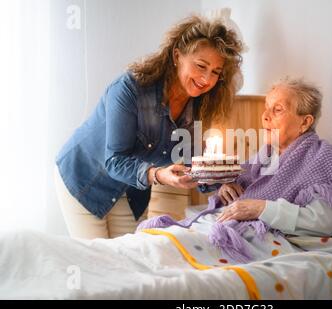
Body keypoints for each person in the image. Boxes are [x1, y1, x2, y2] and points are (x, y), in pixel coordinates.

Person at [55, 15, 244, 239]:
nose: (206, 78)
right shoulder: (130, 89)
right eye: (201, 65)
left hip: (133, 192)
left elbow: (191, 160)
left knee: (130, 261)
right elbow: (115, 160)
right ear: (177, 55)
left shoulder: (200, 105)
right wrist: (159, 175)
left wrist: (218, 180)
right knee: (96, 263)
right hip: (86, 181)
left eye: (215, 72)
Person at [137, 77, 332, 262]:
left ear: (305, 122)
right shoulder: (265, 155)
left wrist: (261, 208)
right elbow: (245, 190)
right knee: (152, 243)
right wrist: (226, 187)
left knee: (162, 252)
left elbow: (325, 223)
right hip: (227, 228)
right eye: (266, 108)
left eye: (277, 110)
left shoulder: (324, 160)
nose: (265, 116)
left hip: (263, 240)